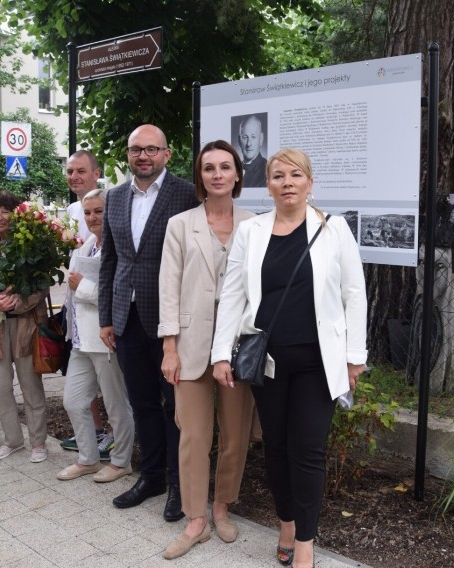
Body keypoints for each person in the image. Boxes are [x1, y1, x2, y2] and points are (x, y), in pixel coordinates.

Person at [211, 148, 368, 568]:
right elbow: (233, 294)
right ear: (269, 186)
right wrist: (220, 353)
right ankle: (285, 521)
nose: (287, 182)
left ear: (309, 182)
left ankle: (305, 542)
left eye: (295, 174)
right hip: (268, 360)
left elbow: (355, 295)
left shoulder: (334, 230)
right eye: (278, 176)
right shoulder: (253, 231)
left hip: (319, 362)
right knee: (276, 447)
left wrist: (355, 358)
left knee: (308, 449)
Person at [159, 141, 255, 559]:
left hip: (238, 347)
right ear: (200, 177)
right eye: (209, 168)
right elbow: (168, 289)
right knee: (194, 435)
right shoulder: (181, 224)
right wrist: (169, 347)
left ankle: (222, 507)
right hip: (191, 346)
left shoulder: (256, 224)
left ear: (237, 176)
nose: (217, 174)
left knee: (235, 435)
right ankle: (195, 518)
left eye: (225, 167)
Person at [98, 124, 197, 519]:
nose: (144, 156)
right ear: (128, 154)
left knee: (175, 405)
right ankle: (152, 475)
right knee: (142, 403)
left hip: (171, 320)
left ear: (167, 154)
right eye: (137, 149)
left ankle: (178, 484)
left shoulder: (187, 194)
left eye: (152, 149)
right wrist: (106, 317)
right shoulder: (115, 196)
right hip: (127, 318)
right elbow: (111, 261)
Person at [57, 188, 134, 482]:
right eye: (87, 212)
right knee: (74, 401)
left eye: (98, 211)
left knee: (116, 406)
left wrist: (83, 287)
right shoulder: (85, 245)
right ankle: (88, 459)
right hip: (79, 339)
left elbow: (123, 294)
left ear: (111, 211)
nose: (92, 218)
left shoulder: (120, 247)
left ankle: (121, 461)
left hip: (106, 340)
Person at [0, 190, 49, 463]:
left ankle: (38, 442)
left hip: (25, 324)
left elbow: (40, 286)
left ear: (17, 214)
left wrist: (15, 302)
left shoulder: (30, 244)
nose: (1, 217)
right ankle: (13, 440)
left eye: (6, 211)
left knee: (30, 385)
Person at [61, 150, 112, 459]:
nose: (74, 176)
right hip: (79, 315)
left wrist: (82, 289)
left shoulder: (112, 206)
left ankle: (116, 441)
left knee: (114, 392)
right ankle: (93, 435)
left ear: (96, 173)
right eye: (69, 171)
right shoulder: (70, 210)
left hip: (103, 317)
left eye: (80, 170)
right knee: (79, 390)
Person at [238, 115, 267, 188]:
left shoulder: (267, 170)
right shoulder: (232, 168)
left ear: (261, 139)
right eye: (245, 137)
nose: (249, 144)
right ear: (239, 141)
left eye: (253, 137)